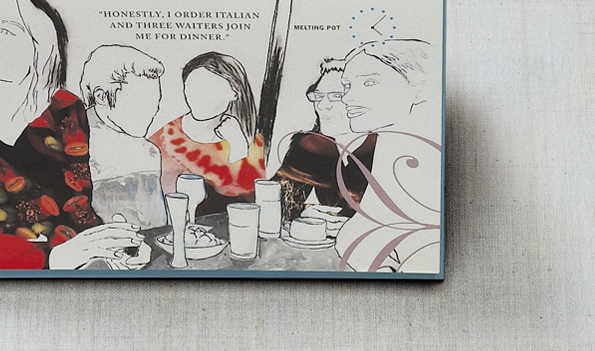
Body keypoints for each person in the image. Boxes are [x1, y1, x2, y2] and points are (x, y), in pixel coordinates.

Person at [0, 0, 147, 271]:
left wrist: (114, 244)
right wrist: (58, 259)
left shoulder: (64, 110)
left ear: (40, 50)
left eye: (6, 30)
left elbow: (85, 206)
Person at [333, 40, 442, 273]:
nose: (347, 98)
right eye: (347, 86)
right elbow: (358, 233)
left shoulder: (430, 154)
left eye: (369, 82)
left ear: (420, 89)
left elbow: (426, 253)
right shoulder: (389, 141)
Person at [149, 51, 265, 215]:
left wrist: (239, 149)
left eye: (211, 88)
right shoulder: (163, 138)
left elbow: (252, 204)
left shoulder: (252, 142)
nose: (198, 96)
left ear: (235, 93)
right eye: (192, 87)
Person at [77, 44, 168, 229]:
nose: (152, 112)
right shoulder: (75, 146)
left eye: (155, 103)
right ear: (102, 97)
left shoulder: (149, 151)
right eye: (140, 103)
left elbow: (157, 224)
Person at [275, 59, 376, 224]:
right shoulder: (312, 146)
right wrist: (303, 213)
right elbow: (280, 201)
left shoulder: (387, 148)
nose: (322, 106)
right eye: (319, 96)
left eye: (336, 96)